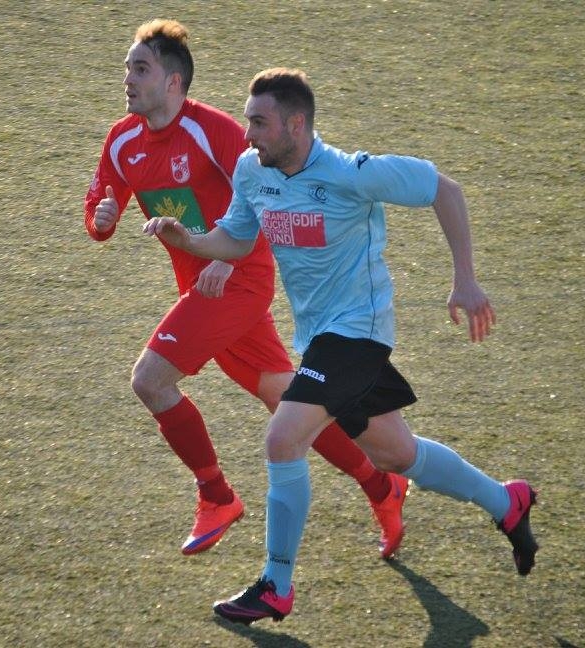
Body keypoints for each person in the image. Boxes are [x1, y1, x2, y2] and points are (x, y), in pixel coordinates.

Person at [143, 67, 539, 624]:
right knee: (396, 454)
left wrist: (465, 280)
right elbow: (235, 237)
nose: (248, 132)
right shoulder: (253, 171)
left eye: (260, 122)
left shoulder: (352, 173)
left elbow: (444, 190)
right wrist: (188, 239)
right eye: (248, 120)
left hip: (358, 334)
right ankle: (507, 501)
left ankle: (276, 585)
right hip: (320, 341)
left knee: (283, 438)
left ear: (297, 124)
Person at [84, 21, 409, 559]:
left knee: (150, 380)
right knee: (286, 399)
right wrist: (105, 215)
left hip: (239, 279)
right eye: (127, 68)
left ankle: (217, 496)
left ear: (173, 82)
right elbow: (98, 210)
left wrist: (229, 264)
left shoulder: (211, 130)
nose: (128, 78)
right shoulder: (122, 141)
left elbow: (273, 189)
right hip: (199, 284)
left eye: (140, 68)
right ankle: (383, 485)